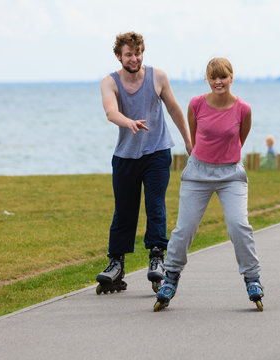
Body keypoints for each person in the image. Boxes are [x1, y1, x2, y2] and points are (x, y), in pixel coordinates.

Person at [154, 58, 264, 311]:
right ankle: (170, 277)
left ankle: (252, 278)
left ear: (231, 77)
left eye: (223, 76)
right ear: (207, 78)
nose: (218, 82)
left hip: (231, 175)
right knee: (184, 229)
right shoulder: (196, 104)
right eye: (213, 77)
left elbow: (239, 139)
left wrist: (225, 160)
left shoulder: (243, 109)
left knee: (239, 225)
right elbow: (193, 137)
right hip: (197, 173)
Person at [96, 32, 192, 295]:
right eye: (129, 54)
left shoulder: (157, 77)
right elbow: (110, 111)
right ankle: (116, 263)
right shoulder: (109, 82)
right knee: (124, 211)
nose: (134, 58)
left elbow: (173, 108)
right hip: (125, 155)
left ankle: (157, 256)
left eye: (138, 53)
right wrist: (129, 122)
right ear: (119, 56)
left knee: (155, 205)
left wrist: (188, 140)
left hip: (157, 152)